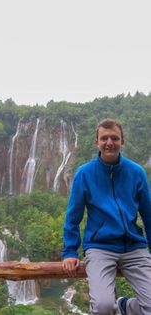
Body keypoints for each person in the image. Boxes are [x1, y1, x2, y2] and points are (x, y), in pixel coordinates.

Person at [62, 118, 151, 315]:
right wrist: (69, 252)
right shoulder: (84, 174)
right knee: (102, 307)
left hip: (134, 248)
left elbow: (148, 216)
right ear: (97, 142)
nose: (109, 142)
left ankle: (125, 307)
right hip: (100, 248)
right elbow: (73, 217)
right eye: (104, 138)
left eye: (114, 138)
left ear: (122, 141)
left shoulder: (136, 173)